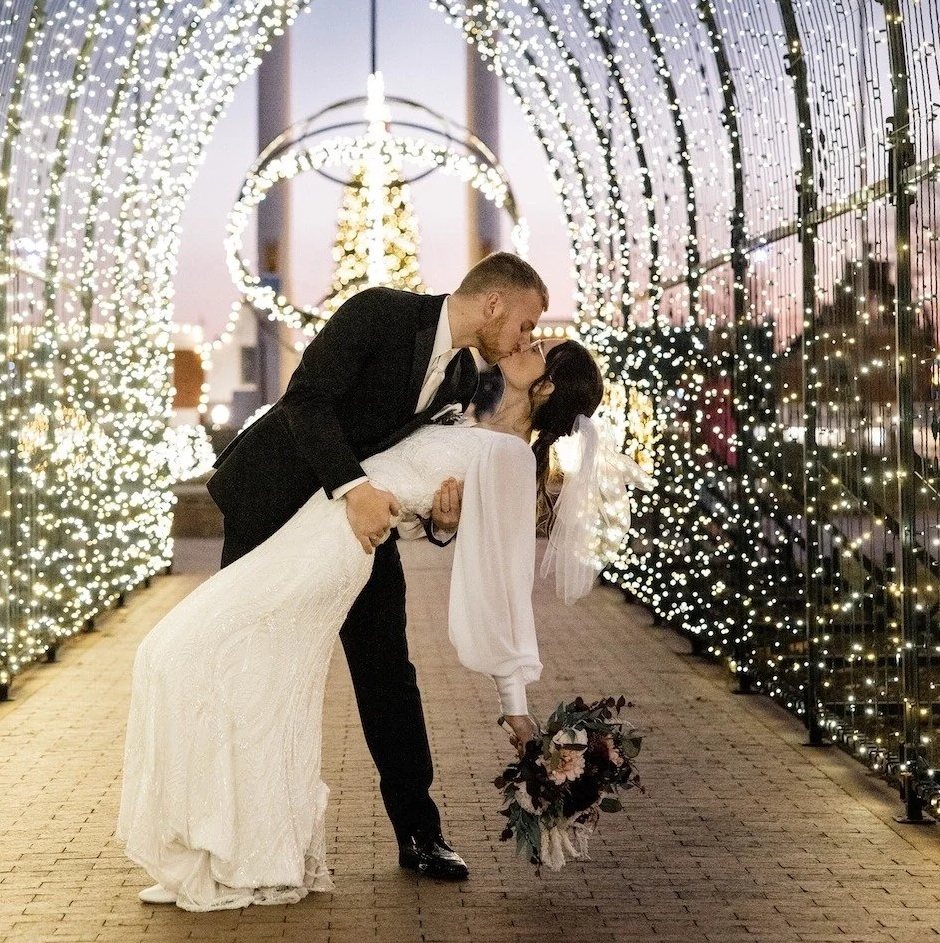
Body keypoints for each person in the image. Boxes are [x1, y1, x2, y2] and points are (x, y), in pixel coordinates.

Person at [116, 334, 605, 911]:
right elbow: (408, 481)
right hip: (308, 521)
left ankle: (377, 837)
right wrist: (435, 518)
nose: (528, 338)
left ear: (544, 386)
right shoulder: (464, 400)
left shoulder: (510, 459)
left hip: (335, 548)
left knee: (186, 653)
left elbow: (501, 580)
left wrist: (514, 702)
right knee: (248, 681)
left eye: (540, 345)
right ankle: (234, 850)